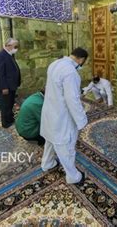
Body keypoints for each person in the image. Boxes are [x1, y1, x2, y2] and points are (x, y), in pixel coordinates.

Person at [40, 47, 89, 184]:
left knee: (50, 140)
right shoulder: (71, 72)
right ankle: (73, 177)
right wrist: (81, 120)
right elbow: (72, 99)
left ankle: (47, 163)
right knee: (65, 146)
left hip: (50, 110)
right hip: (61, 116)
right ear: (81, 59)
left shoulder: (55, 64)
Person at [0, 38, 21, 128]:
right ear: (8, 46)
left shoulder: (8, 54)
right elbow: (0, 74)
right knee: (6, 105)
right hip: (6, 86)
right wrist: (4, 87)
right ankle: (6, 123)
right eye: (15, 46)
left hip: (11, 85)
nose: (16, 48)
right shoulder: (0, 56)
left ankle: (10, 119)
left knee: (10, 104)